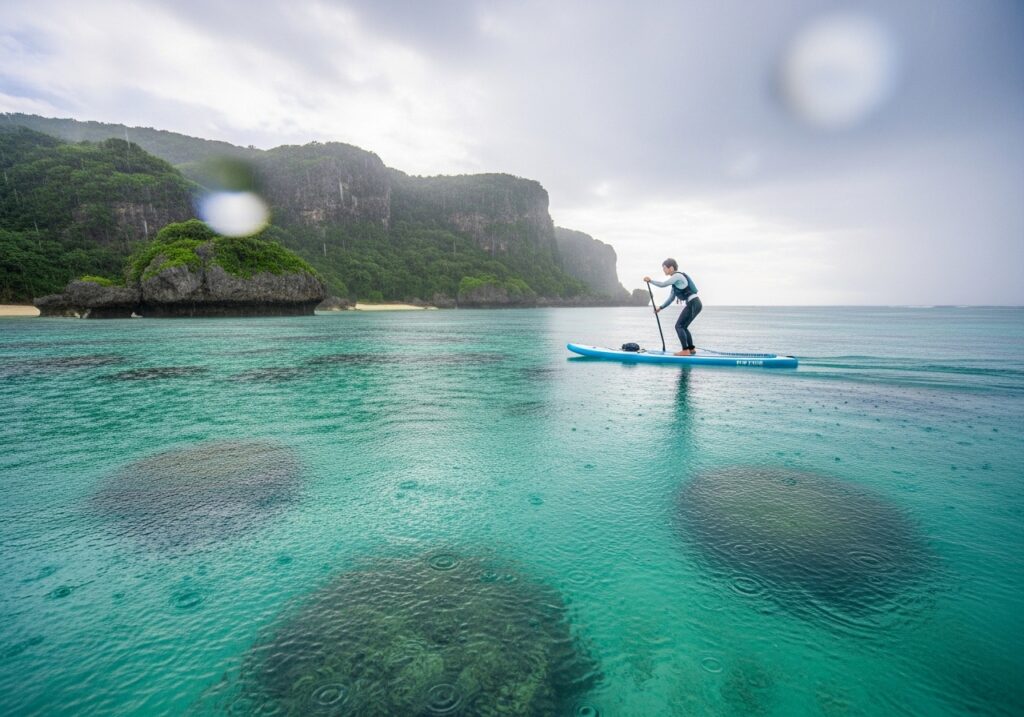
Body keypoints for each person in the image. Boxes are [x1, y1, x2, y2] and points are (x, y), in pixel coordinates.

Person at [643, 259, 701, 356]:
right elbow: (671, 299)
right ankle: (691, 349)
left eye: (664, 268)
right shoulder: (675, 284)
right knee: (683, 326)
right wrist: (660, 308)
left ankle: (685, 350)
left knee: (678, 326)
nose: (663, 270)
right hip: (695, 304)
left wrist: (650, 281)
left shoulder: (677, 276)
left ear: (671, 268)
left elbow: (663, 284)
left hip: (693, 303)